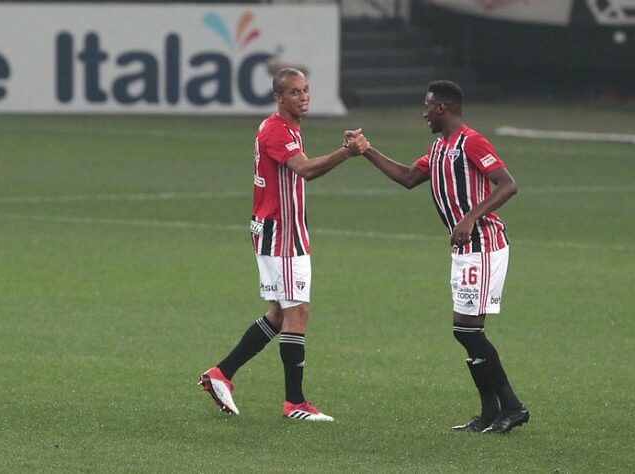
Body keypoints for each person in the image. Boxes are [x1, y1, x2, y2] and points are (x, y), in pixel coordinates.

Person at [346, 80, 529, 433]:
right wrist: (366, 150)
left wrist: (471, 215)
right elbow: (408, 177)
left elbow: (507, 183)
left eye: (427, 106)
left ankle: (513, 406)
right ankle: (490, 412)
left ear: (442, 108)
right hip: (463, 249)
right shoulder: (439, 148)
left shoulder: (471, 142)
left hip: (484, 245)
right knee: (467, 331)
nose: (424, 113)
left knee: (468, 330)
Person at [199, 68, 369, 422]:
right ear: (279, 97)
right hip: (283, 234)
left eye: (306, 90)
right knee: (297, 313)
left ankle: (221, 373)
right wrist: (345, 153)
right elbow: (305, 170)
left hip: (275, 229)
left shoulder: (281, 127)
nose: (303, 97)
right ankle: (295, 403)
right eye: (294, 92)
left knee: (279, 314)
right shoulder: (277, 131)